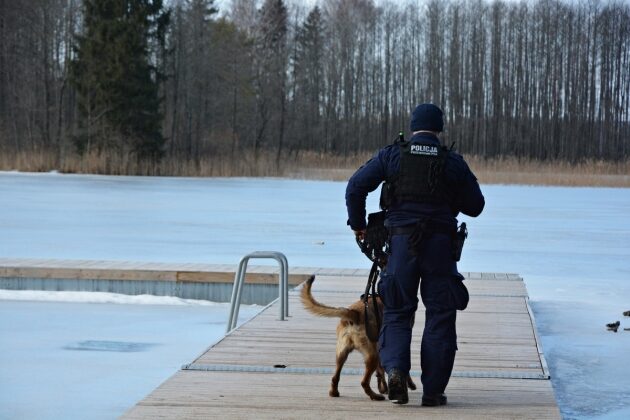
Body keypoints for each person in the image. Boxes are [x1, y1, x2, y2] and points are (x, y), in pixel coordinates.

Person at [345, 103, 485, 406]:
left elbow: (356, 187)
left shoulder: (392, 155)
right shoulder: (453, 162)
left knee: (396, 311)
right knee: (440, 317)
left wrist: (359, 226)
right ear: (440, 128)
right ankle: (433, 391)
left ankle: (395, 371)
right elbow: (476, 206)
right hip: (440, 249)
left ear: (412, 127)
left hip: (399, 246)